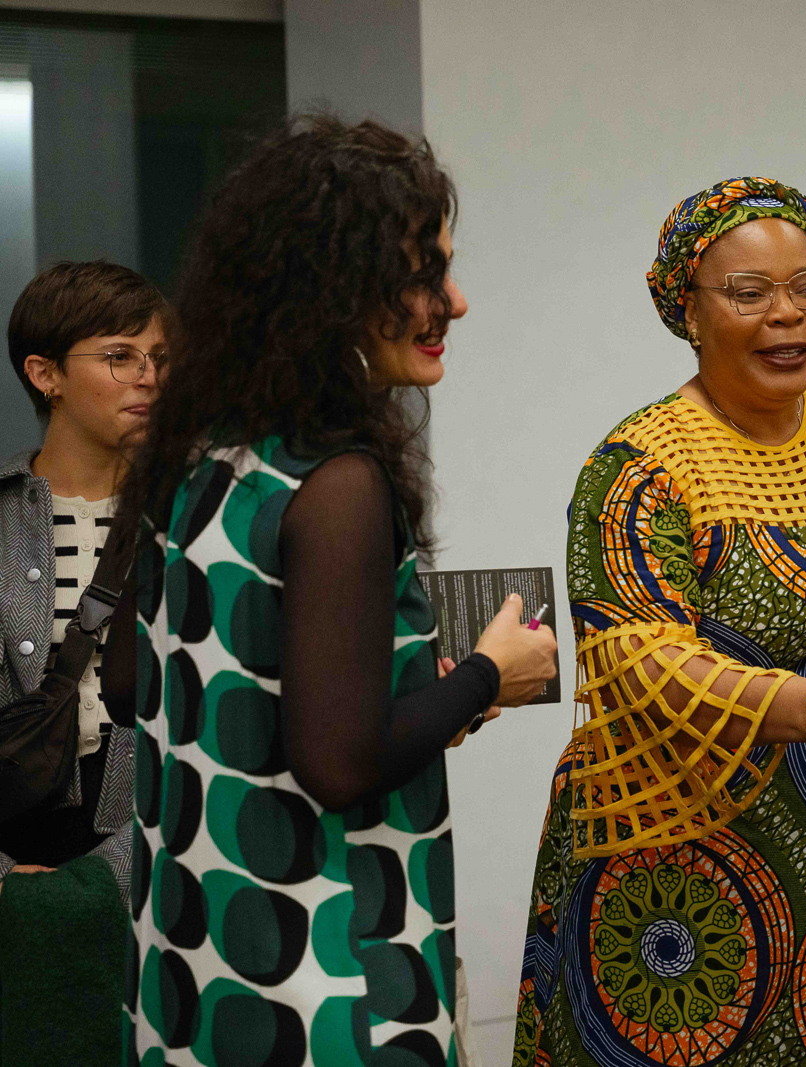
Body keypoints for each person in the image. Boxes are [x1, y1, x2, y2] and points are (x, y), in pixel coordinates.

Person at [109, 115, 558, 1066]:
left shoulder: (199, 457)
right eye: (425, 274)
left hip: (204, 966)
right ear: (333, 289)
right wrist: (488, 674)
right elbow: (340, 763)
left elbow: (149, 683)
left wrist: (420, 701)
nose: (457, 301)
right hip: (327, 981)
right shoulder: (337, 482)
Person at [510, 176, 806, 1067]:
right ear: (688, 309)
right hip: (674, 876)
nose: (788, 317)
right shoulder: (640, 463)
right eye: (751, 293)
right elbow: (638, 659)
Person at [0, 260, 165, 1066]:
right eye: (119, 356)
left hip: (154, 855)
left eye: (158, 358)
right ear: (46, 374)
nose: (146, 377)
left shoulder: (189, 515)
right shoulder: (1, 521)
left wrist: (113, 872)